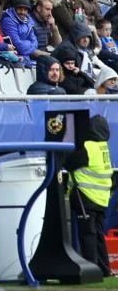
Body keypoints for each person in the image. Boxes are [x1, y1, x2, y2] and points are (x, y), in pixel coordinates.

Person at [65, 115, 112, 277]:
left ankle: (92, 270)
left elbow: (67, 162)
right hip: (102, 198)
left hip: (85, 197)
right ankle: (104, 269)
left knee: (87, 235)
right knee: (98, 235)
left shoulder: (87, 147)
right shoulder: (103, 146)